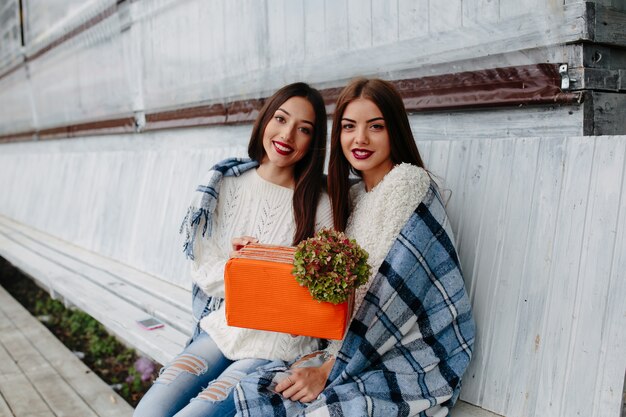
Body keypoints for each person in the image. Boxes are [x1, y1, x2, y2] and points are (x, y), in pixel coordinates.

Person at [234, 78, 476, 417]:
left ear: (395, 131)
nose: (359, 139)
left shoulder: (407, 185)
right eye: (349, 127)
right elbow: (320, 271)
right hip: (352, 347)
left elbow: (386, 304)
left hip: (407, 352)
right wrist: (255, 253)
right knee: (259, 391)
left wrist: (329, 370)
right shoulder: (354, 197)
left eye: (375, 127)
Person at [133, 82, 333, 417]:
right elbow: (203, 269)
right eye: (281, 119)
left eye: (304, 129)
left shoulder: (321, 204)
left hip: (278, 347)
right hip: (223, 330)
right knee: (148, 412)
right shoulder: (225, 185)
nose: (287, 135)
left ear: (314, 142)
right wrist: (239, 266)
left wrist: (259, 267)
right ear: (265, 120)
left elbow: (320, 295)